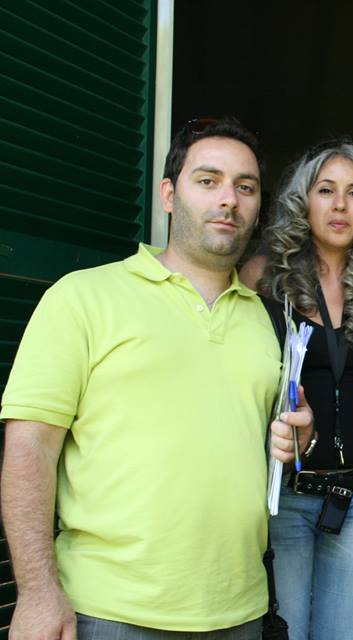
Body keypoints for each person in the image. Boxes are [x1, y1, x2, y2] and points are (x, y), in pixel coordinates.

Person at [0, 117, 313, 639]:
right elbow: (29, 447)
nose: (229, 200)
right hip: (108, 612)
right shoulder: (83, 297)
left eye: (245, 187)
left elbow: (253, 443)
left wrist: (300, 437)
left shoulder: (266, 321)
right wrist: (37, 592)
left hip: (240, 611)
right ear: (169, 194)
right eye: (208, 181)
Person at [240, 140, 353, 640]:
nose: (339, 205)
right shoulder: (263, 277)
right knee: (286, 631)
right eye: (325, 190)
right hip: (287, 492)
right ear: (301, 201)